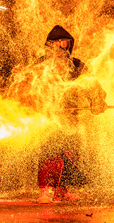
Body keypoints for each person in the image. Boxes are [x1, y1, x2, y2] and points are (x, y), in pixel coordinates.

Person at [36, 25, 105, 203]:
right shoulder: (41, 65)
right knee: (49, 155)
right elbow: (29, 88)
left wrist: (97, 102)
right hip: (48, 118)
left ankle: (61, 191)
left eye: (64, 43)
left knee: (69, 155)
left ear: (69, 45)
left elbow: (92, 85)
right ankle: (44, 192)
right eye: (56, 43)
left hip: (71, 117)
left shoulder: (76, 65)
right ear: (49, 45)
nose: (60, 47)